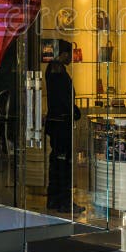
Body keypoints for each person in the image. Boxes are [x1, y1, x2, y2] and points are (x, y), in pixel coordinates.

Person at [44, 42, 84, 214]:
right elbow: (63, 98)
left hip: (56, 123)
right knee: (64, 163)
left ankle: (53, 199)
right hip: (62, 124)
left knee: (56, 161)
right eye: (69, 54)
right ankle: (64, 202)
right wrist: (74, 111)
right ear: (63, 54)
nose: (71, 58)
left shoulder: (52, 69)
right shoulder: (58, 71)